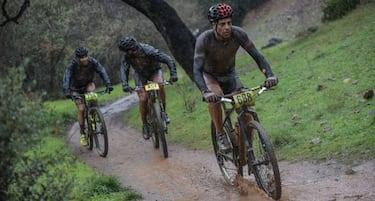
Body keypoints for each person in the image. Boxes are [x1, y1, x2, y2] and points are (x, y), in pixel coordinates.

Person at [193, 3, 278, 152]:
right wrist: (205, 91)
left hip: (229, 74)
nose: (227, 27)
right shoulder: (204, 39)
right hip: (210, 76)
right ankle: (220, 134)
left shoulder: (238, 34)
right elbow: (197, 69)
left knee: (245, 108)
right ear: (214, 25)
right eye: (222, 24)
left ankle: (247, 147)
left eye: (229, 23)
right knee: (216, 96)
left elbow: (257, 56)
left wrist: (269, 75)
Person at [118, 36, 178, 140]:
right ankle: (145, 124)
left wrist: (173, 74)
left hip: (154, 71)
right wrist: (125, 84)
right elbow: (124, 70)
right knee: (143, 98)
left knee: (160, 84)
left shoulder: (148, 50)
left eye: (135, 48)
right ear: (126, 52)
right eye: (131, 50)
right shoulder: (127, 57)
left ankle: (163, 112)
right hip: (140, 74)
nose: (134, 51)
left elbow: (167, 59)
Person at [63, 47, 113, 146]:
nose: (84, 59)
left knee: (93, 95)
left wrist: (108, 83)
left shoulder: (92, 61)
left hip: (88, 84)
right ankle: (82, 133)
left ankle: (95, 112)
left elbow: (101, 71)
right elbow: (67, 77)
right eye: (81, 57)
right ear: (77, 58)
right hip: (75, 88)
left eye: (86, 56)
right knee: (81, 109)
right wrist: (67, 90)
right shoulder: (72, 65)